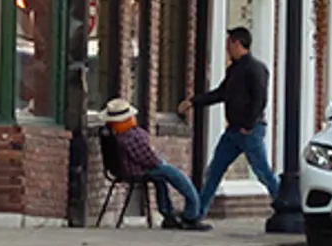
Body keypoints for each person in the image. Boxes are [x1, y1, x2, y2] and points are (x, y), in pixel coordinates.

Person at [179, 27, 279, 216]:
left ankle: (283, 204)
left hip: (250, 130)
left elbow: (260, 99)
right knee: (215, 170)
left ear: (237, 44)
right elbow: (221, 93)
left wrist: (248, 126)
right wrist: (194, 102)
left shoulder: (255, 68)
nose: (227, 48)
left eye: (229, 44)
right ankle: (197, 212)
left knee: (262, 171)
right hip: (233, 131)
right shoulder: (234, 69)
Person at [102, 98, 210, 231]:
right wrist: (160, 163)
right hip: (139, 169)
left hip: (131, 168)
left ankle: (168, 214)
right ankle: (192, 214)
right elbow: (147, 158)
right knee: (176, 176)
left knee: (162, 179)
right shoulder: (129, 136)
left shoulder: (117, 134)